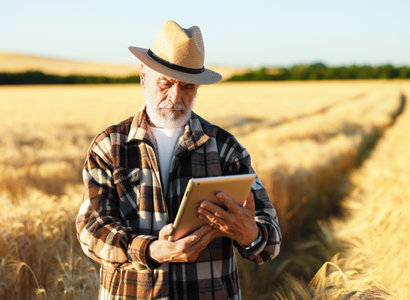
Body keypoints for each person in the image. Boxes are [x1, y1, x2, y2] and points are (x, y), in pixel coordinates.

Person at [76, 20, 281, 299]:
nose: (175, 97)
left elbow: (270, 240)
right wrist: (150, 250)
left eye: (187, 87)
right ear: (143, 76)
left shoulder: (224, 148)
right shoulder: (110, 146)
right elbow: (91, 228)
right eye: (166, 83)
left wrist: (250, 235)